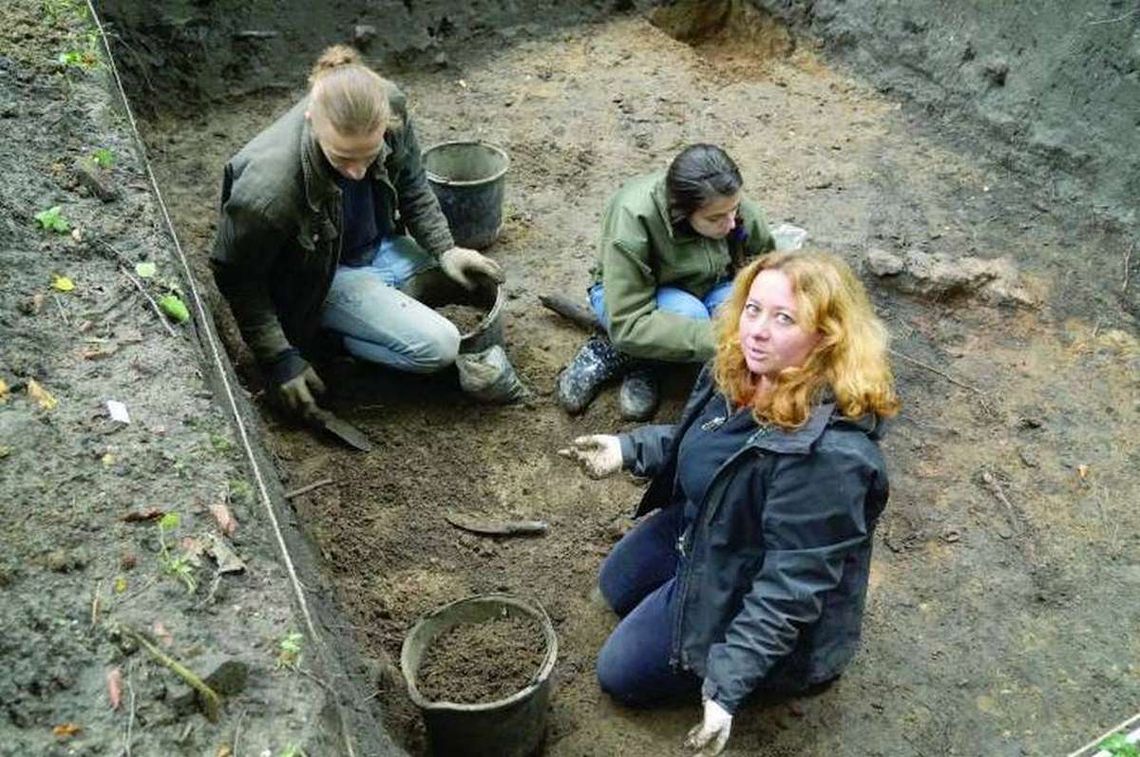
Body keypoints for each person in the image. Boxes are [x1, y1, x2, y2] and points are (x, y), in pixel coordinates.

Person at [559, 251, 900, 755]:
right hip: (714, 525)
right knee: (616, 585)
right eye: (753, 309)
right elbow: (707, 443)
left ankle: (775, 672)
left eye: (785, 319)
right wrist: (629, 449)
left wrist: (726, 686)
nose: (757, 331)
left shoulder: (830, 459)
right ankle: (682, 593)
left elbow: (789, 587)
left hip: (751, 574)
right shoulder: (746, 368)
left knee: (620, 674)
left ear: (825, 337)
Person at [211, 45, 502, 421]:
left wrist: (446, 250)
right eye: (343, 158)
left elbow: (412, 183)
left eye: (369, 155)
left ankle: (371, 314)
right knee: (440, 346)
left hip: (379, 247)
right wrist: (280, 356)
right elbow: (237, 275)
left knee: (474, 285)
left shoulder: (388, 105)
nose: (358, 172)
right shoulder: (268, 194)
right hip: (321, 277)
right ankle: (328, 339)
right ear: (312, 120)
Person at [556, 144, 775, 421]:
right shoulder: (632, 217)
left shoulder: (724, 201)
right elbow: (630, 321)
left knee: (749, 311)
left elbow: (767, 267)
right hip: (639, 298)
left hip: (711, 285)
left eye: (735, 210)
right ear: (682, 212)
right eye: (716, 218)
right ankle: (626, 355)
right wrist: (728, 337)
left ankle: (660, 357)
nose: (732, 223)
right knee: (690, 314)